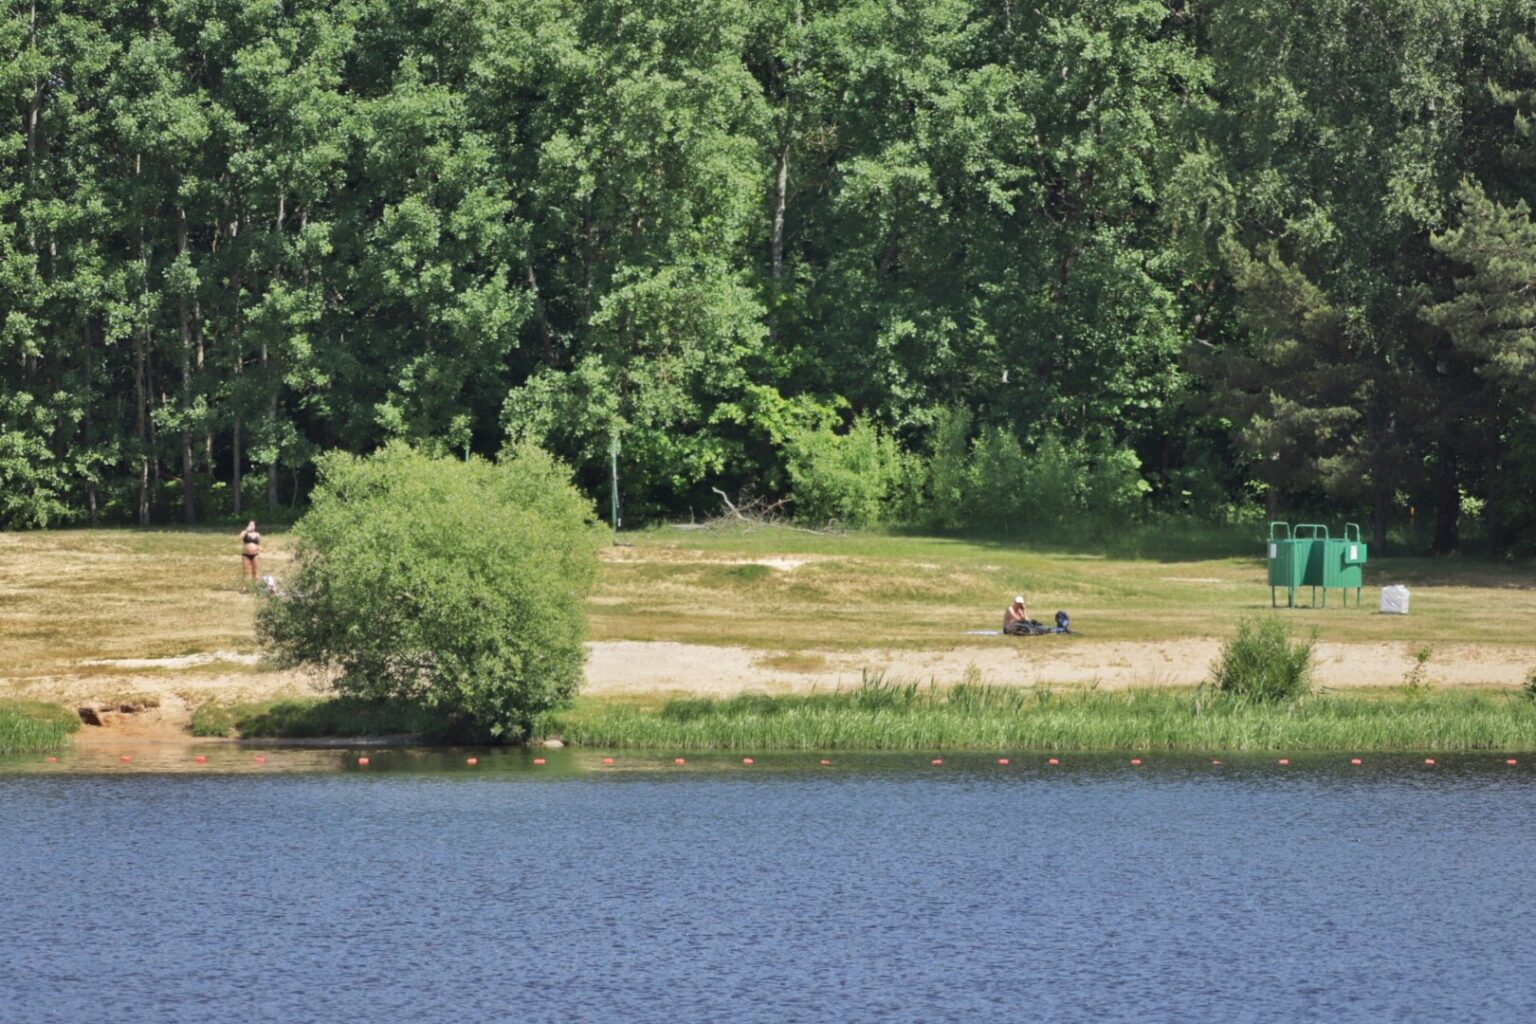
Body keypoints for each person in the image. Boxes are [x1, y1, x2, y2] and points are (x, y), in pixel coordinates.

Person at [239, 520, 262, 587]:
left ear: (255, 526)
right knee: (246, 572)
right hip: (246, 555)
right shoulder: (244, 533)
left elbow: (259, 544)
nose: (251, 526)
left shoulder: (257, 534)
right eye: (250, 525)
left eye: (252, 525)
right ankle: (244, 587)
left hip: (255, 555)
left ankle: (255, 587)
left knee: (255, 571)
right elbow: (239, 538)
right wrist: (246, 530)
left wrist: (260, 552)